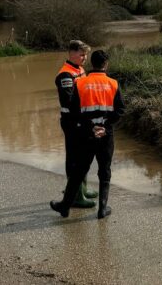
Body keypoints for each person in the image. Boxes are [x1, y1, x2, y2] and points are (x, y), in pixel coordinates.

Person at [50, 49, 125, 219]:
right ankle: (102, 209)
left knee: (79, 169)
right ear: (106, 64)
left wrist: (90, 126)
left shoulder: (81, 83)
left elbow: (74, 110)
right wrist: (105, 125)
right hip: (106, 134)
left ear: (92, 63)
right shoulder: (113, 83)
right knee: (104, 170)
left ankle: (65, 206)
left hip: (86, 134)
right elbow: (120, 110)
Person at [55, 40, 97, 208]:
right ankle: (76, 195)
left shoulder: (78, 69)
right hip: (72, 121)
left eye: (86, 54)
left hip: (82, 120)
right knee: (74, 158)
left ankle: (83, 188)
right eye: (81, 54)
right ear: (71, 53)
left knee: (83, 155)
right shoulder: (65, 75)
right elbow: (69, 101)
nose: (84, 58)